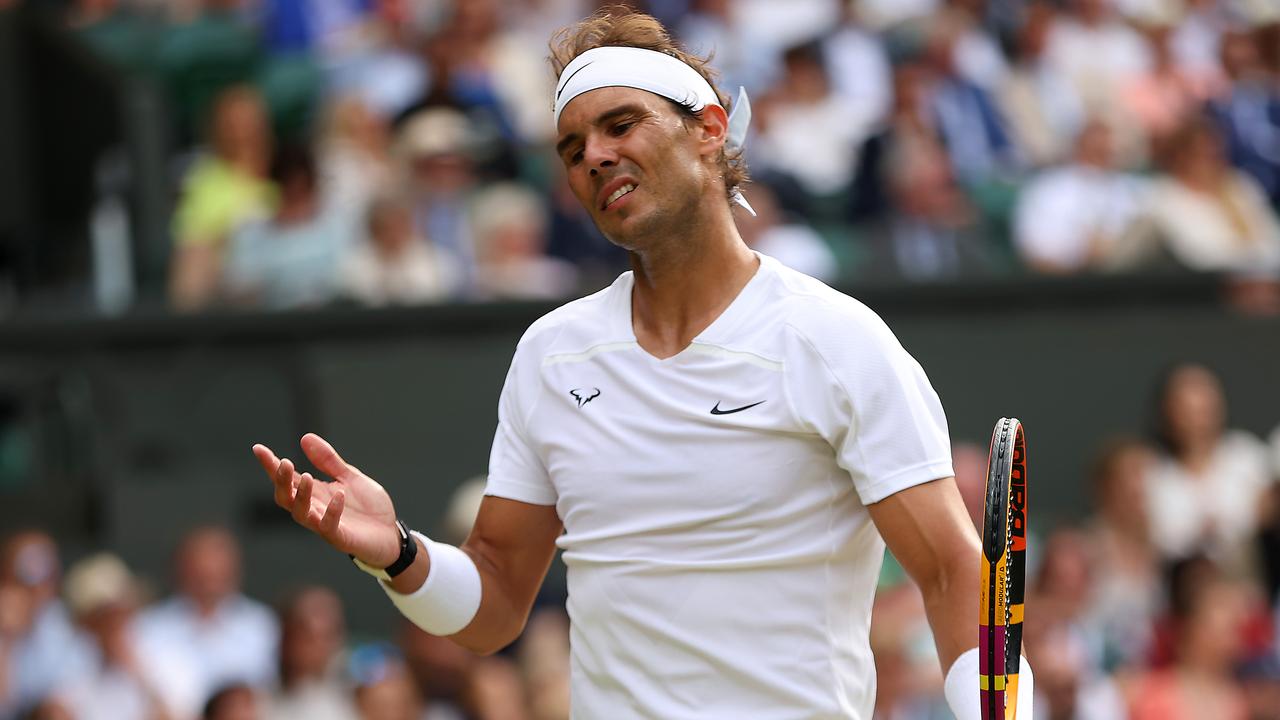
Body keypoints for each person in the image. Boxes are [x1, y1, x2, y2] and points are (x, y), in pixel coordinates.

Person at [252, 10, 1033, 719]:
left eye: (621, 124)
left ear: (709, 130)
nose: (594, 156)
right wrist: (399, 553)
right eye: (572, 147)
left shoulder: (835, 340)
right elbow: (493, 605)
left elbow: (951, 574)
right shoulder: (550, 355)